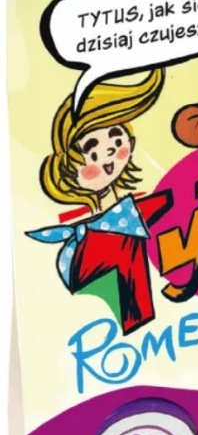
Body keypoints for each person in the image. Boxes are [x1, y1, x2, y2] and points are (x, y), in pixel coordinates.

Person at [27, 69, 171, 334]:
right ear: (69, 168)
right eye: (92, 149)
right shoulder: (108, 227)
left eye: (116, 137)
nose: (108, 152)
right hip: (88, 275)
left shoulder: (126, 213)